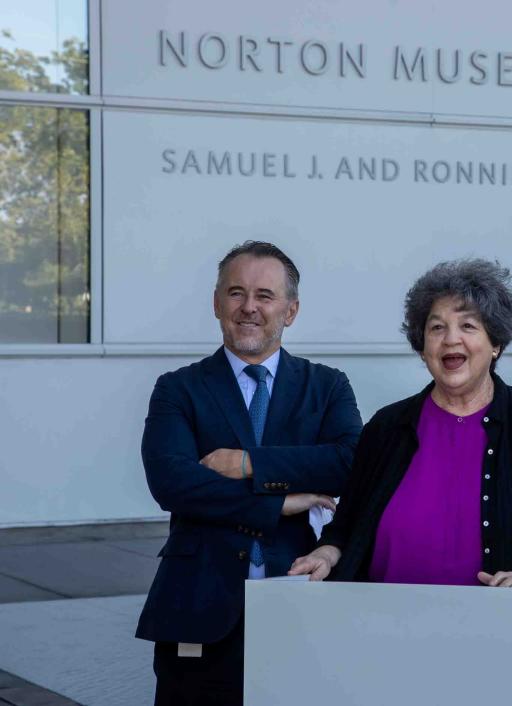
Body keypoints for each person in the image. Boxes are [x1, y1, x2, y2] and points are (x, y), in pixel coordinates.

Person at [136, 241, 362, 706]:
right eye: (236, 293)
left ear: (291, 310)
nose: (249, 308)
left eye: (265, 295)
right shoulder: (178, 389)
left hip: (301, 600)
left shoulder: (327, 386)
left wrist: (248, 464)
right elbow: (172, 481)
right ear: (217, 303)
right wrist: (278, 501)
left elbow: (349, 462)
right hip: (198, 607)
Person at [290, 258, 512, 589]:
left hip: (503, 626)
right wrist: (327, 553)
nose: (451, 339)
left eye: (468, 326)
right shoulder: (387, 426)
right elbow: (347, 526)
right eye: (437, 327)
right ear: (423, 348)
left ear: (495, 344)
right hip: (382, 622)